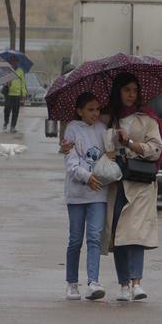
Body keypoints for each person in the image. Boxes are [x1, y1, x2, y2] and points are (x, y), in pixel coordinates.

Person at [103, 72, 162, 303]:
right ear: (118, 91)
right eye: (127, 89)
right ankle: (123, 284)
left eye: (134, 90)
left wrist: (129, 143)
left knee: (136, 233)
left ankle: (137, 282)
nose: (131, 94)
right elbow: (97, 145)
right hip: (116, 183)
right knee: (119, 234)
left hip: (140, 184)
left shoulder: (147, 118)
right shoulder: (108, 118)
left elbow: (155, 149)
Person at [61, 92, 111, 301]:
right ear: (80, 111)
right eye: (90, 109)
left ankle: (93, 281)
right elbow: (71, 163)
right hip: (77, 195)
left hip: (98, 193)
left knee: (94, 238)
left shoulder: (103, 129)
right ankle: (72, 283)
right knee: (75, 240)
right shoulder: (72, 129)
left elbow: (110, 153)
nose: (95, 113)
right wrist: (86, 176)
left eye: (97, 109)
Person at [3, 64, 29, 132]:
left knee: (15, 111)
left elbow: (23, 83)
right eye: (12, 60)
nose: (13, 62)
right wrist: (7, 83)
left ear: (17, 62)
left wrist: (23, 94)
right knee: (6, 109)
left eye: (15, 61)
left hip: (17, 95)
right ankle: (6, 122)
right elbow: (3, 81)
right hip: (8, 94)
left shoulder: (20, 71)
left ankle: (13, 126)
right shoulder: (7, 70)